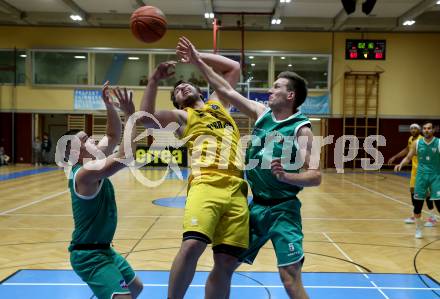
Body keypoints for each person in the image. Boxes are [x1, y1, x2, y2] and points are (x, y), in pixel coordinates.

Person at [177, 36, 321, 299]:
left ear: (290, 95)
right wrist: (197, 60)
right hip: (255, 206)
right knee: (225, 263)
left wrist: (287, 176)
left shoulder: (302, 129)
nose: (270, 90)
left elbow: (315, 176)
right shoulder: (261, 113)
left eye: (276, 87)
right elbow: (226, 89)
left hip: (283, 209)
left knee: (289, 278)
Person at [139, 51, 249, 299]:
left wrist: (197, 56)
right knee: (192, 246)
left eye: (187, 85)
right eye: (177, 90)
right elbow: (146, 119)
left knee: (226, 262)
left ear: (201, 91)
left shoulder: (219, 103)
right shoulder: (183, 116)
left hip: (237, 187)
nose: (182, 88)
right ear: (177, 104)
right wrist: (154, 80)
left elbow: (233, 68)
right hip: (205, 183)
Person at [60, 83, 143, 299]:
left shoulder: (93, 159)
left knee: (136, 288)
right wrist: (131, 115)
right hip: (89, 255)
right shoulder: (84, 173)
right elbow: (126, 156)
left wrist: (108, 105)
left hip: (104, 249)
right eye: (85, 140)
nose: (93, 140)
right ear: (75, 154)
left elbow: (113, 134)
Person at [395, 121, 440, 238]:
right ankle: (419, 229)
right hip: (421, 177)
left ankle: (433, 217)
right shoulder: (417, 143)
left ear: (433, 130)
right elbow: (408, 157)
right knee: (417, 205)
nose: (426, 130)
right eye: (424, 128)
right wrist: (401, 164)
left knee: (439, 204)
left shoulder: (439, 143)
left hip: (436, 177)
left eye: (429, 128)